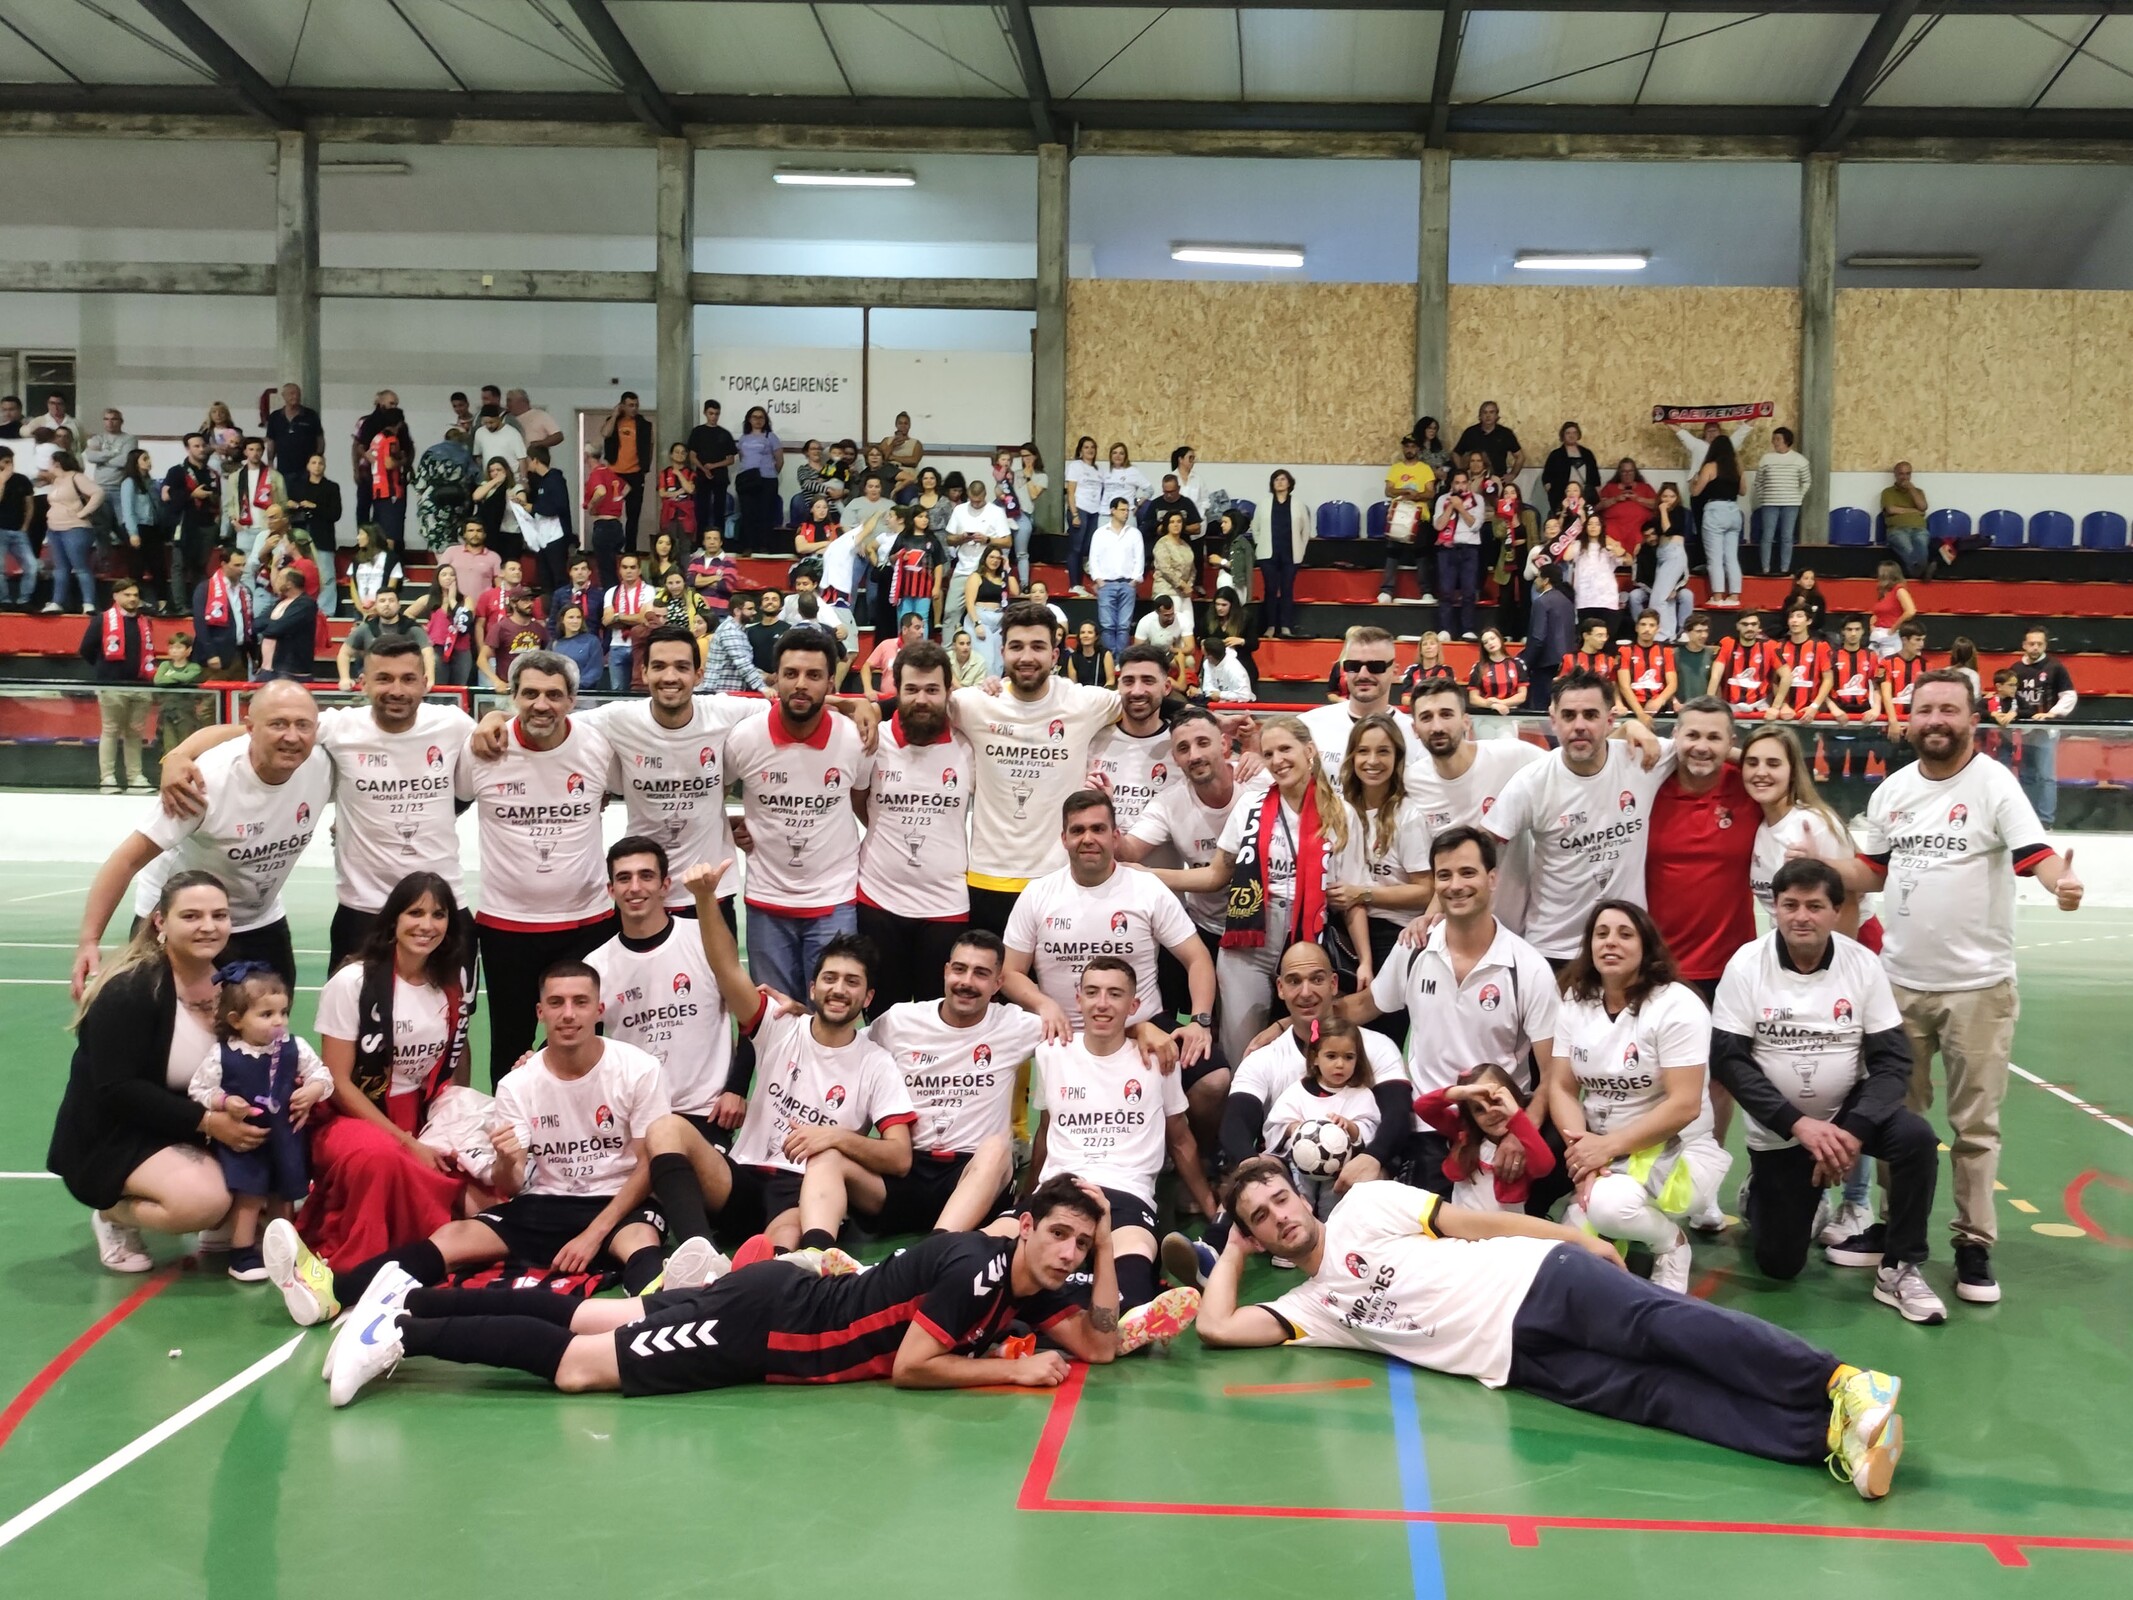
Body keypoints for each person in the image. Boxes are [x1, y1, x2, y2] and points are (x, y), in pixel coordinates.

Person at [1199, 1161, 1911, 1499]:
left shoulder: (1368, 1204)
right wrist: (1230, 1245)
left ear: (1302, 1194)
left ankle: (1841, 1381)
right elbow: (1220, 1326)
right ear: (1258, 1239)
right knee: (1655, 1399)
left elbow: (1477, 1223)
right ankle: (1828, 1436)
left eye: (1281, 1198)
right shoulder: (1312, 1305)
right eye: (1261, 1217)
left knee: (1671, 1326)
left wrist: (1573, 1242)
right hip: (1513, 1362)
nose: (1279, 1215)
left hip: (1537, 1280)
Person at [299, 1174, 1124, 1408]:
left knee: (604, 1311)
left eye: (1080, 1246)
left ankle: (406, 1303)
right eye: (1058, 1233)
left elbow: (1101, 1341)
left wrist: (1109, 1247)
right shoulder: (980, 1268)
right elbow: (913, 1366)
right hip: (765, 1328)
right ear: (1023, 1227)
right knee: (585, 1365)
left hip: (773, 1296)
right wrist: (1007, 1372)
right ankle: (401, 1336)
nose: (1068, 1252)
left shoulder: (1025, 1286)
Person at [274, 961, 675, 1403]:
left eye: (580, 1003)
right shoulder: (518, 1084)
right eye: (556, 1003)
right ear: (539, 1011)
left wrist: (594, 1233)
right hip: (547, 1200)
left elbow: (648, 1166)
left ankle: (663, 1312)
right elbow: (514, 1183)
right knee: (453, 1237)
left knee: (639, 1241)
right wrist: (507, 1161)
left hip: (618, 1200)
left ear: (599, 1009)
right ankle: (331, 1291)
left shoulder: (637, 1069)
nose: (568, 1014)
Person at [1835, 670, 2084, 1305]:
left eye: (1949, 709)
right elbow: (1872, 870)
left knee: (1975, 1126)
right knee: (1896, 1121)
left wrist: (2061, 883)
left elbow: (2034, 853)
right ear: (1909, 719)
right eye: (1925, 710)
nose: (1936, 720)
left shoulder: (1995, 784)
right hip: (1898, 988)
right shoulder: (1893, 791)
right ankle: (1899, 1228)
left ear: (1973, 719)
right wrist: (1810, 869)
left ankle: (1973, 1243)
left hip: (1979, 988)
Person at [1711, 860, 1947, 1323]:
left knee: (1916, 1138)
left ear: (1837, 911)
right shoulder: (1745, 965)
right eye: (1791, 905)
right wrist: (1799, 1126)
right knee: (1780, 1266)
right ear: (1774, 909)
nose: (1802, 916)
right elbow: (1730, 1062)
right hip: (1783, 1130)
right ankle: (1764, 1190)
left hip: (1845, 1119)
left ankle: (1900, 1266)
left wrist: (1853, 1133)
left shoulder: (1861, 964)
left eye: (1815, 906)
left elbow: (1892, 1061)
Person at [640, 867, 911, 1254]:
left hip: (806, 1188)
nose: (839, 989)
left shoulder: (877, 1062)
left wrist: (833, 1138)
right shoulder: (779, 1026)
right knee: (666, 1128)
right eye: (830, 978)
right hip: (741, 1179)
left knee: (781, 1243)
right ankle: (697, 1252)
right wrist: (704, 898)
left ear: (868, 998)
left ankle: (776, 1272)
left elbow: (899, 1157)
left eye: (852, 982)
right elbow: (726, 969)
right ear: (812, 987)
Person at [48, 872, 255, 1274]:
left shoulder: (237, 978)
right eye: (192, 916)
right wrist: (209, 1122)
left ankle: (217, 1214)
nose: (208, 926)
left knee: (273, 1187)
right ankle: (112, 1216)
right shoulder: (129, 990)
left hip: (192, 1120)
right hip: (119, 1131)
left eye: (219, 915)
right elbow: (117, 1091)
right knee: (203, 1202)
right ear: (160, 921)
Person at [75, 680, 325, 997]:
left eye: (302, 725)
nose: (292, 736)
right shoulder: (202, 784)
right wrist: (89, 941)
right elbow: (126, 860)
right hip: (179, 922)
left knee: (268, 1027)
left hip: (256, 919)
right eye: (277, 724)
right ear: (251, 728)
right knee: (167, 1031)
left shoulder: (322, 763)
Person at [1151, 719, 1368, 1069]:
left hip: (1308, 941)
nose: (1278, 760)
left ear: (1308, 751)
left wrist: (1366, 959)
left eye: (1286, 749)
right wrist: (1148, 875)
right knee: (1241, 1050)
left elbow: (1350, 895)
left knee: (1311, 1046)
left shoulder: (1342, 814)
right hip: (1247, 938)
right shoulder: (1250, 806)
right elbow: (1216, 875)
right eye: (1269, 753)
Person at [1344, 828, 1558, 1176]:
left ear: (1492, 879)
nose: (1455, 885)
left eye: (1467, 873)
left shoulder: (1529, 967)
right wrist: (1286, 1023)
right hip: (1426, 1129)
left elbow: (1553, 1075)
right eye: (1444, 875)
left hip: (1496, 1130)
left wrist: (1522, 1133)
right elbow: (1363, 1007)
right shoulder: (1413, 948)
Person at [1546, 901, 1728, 1292]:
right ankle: (1616, 1217)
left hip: (1677, 1152)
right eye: (1601, 934)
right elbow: (1560, 1086)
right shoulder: (1576, 1001)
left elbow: (1684, 1104)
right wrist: (1582, 1154)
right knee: (1567, 1253)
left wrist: (1603, 1149)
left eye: (1625, 934)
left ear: (1646, 946)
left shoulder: (1676, 1005)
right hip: (1604, 1151)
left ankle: (1671, 1244)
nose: (1611, 942)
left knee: (1609, 1208)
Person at [457, 651, 618, 1084]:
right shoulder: (482, 750)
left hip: (588, 923)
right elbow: (438, 810)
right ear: (512, 698)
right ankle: (511, 1138)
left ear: (572, 700)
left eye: (553, 695)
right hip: (506, 928)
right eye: (529, 694)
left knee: (584, 1040)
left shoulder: (600, 746)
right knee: (510, 1043)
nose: (541, 705)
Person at [1029, 958, 1208, 1340]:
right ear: (1077, 999)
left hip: (1127, 1195)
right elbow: (1045, 1132)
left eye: (1114, 994)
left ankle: (1093, 1324)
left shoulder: (1160, 1058)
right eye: (1092, 992)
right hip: (1059, 1187)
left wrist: (1213, 1209)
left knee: (1133, 1283)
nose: (1102, 1003)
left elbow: (1180, 1137)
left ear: (1133, 1005)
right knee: (995, 1256)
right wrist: (1026, 1195)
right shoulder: (1051, 1054)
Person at [950, 601, 1124, 936]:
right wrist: (861, 705)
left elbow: (1141, 699)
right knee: (990, 987)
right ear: (1002, 653)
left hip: (1059, 879)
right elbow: (919, 701)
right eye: (1016, 647)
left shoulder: (1083, 702)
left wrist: (1210, 718)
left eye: (1038, 647)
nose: (1026, 656)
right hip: (989, 877)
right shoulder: (978, 703)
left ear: (1055, 656)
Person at [1004, 788, 1214, 1061]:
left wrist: (1200, 1021)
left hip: (1142, 1027)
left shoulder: (1147, 888)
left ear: (1115, 837)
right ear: (1064, 839)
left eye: (1098, 829)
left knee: (1214, 1081)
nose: (1088, 838)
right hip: (1063, 1030)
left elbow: (1197, 958)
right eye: (1078, 830)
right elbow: (1009, 972)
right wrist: (1043, 1005)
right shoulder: (1037, 893)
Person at [1482, 673, 1673, 964]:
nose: (1579, 726)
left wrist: (1762, 771)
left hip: (1625, 948)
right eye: (1569, 715)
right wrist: (1437, 913)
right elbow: (1475, 847)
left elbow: (1706, 748)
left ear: (1610, 720)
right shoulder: (1532, 782)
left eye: (1590, 715)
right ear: (1553, 719)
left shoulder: (1641, 758)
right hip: (1553, 949)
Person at [861, 932, 1042, 1233]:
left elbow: (1086, 1039)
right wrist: (801, 1018)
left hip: (972, 1174)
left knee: (998, 1149)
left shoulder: (1016, 1025)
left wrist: (1142, 1030)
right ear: (946, 971)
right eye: (959, 969)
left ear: (998, 984)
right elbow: (843, 1044)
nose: (966, 982)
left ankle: (935, 1249)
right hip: (906, 1168)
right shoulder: (899, 1020)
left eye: (981, 974)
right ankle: (811, 1254)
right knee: (828, 1157)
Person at [185, 962, 332, 1280]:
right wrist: (225, 1102)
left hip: (286, 1138)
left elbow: (322, 1075)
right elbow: (199, 1090)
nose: (279, 1021)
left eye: (283, 1013)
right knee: (249, 1197)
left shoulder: (296, 1048)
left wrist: (312, 1090)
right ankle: (241, 1253)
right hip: (246, 1141)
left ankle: (284, 1250)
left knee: (284, 1196)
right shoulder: (223, 1055)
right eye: (266, 1015)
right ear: (237, 1020)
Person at [854, 641, 974, 1008]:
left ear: (948, 692)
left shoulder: (970, 746)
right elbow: (861, 803)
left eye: (932, 689)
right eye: (912, 689)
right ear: (896, 691)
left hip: (946, 907)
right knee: (881, 1020)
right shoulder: (873, 740)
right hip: (877, 901)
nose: (922, 699)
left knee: (937, 1021)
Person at [1328, 713, 1433, 995]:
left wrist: (1362, 893)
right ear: (1351, 757)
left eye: (1383, 751)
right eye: (1363, 751)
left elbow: (1425, 890)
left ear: (1397, 758)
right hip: (1342, 929)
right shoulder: (1338, 809)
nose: (1372, 761)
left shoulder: (1408, 815)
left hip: (1394, 932)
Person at [1261, 1019, 1381, 1217]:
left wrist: (1351, 1128)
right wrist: (1294, 1128)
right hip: (1300, 1166)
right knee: (1299, 1196)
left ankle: (1330, 1233)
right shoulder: (1299, 1090)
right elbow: (1277, 1123)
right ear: (1315, 1058)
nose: (1340, 1064)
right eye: (1331, 1056)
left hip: (1341, 1169)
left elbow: (1370, 1128)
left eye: (1349, 1057)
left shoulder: (1360, 1094)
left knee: (1334, 1205)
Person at [1305, 625, 1427, 777]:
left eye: (1375, 666)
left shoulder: (1415, 736)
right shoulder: (1309, 726)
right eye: (1354, 666)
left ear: (1395, 671)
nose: (1363, 674)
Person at [1086, 645, 1182, 834]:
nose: (1137, 691)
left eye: (1148, 681)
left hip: (1164, 863)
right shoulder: (1092, 738)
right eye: (1129, 681)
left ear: (1166, 687)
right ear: (1118, 686)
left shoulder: (1183, 744)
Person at [80, 578, 156, 793]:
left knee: (135, 733)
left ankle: (135, 778)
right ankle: (108, 779)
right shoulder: (102, 620)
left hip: (142, 686)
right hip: (112, 686)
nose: (132, 599)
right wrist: (105, 668)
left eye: (135, 595)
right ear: (115, 596)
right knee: (111, 731)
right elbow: (86, 649)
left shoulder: (145, 622)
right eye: (127, 595)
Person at [2008, 625, 2076, 827]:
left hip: (2046, 732)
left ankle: (2046, 821)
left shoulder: (2055, 667)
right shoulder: (2015, 669)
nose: (2035, 647)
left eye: (2039, 643)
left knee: (2046, 776)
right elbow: (2008, 697)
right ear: (2024, 645)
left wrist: (2051, 714)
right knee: (2027, 775)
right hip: (2025, 731)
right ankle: (2029, 819)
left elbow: (2069, 696)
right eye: (2031, 643)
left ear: (2045, 645)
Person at [1380, 434, 1436, 606]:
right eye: (1406, 447)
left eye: (1412, 446)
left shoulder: (1425, 469)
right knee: (1392, 554)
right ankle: (1386, 590)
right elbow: (1388, 491)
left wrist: (1416, 495)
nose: (1409, 450)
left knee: (1421, 556)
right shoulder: (1395, 468)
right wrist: (1405, 492)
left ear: (1418, 449)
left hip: (1419, 517)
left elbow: (1431, 492)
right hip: (1398, 516)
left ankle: (1426, 591)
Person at [1690, 435, 1745, 607]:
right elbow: (1743, 491)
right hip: (1734, 511)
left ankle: (1718, 596)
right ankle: (1734, 596)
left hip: (1715, 510)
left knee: (1714, 557)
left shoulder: (1710, 466)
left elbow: (1696, 492)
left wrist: (1693, 483)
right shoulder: (1737, 468)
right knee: (1731, 557)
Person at [1749, 427, 1811, 576]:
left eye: (1777, 439)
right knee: (1767, 536)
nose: (1774, 442)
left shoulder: (1800, 460)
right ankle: (1765, 568)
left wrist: (1798, 497)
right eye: (1774, 438)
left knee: (1787, 537)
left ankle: (1785, 569)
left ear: (1787, 441)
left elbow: (1807, 482)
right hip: (1769, 503)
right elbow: (1758, 482)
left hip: (1791, 504)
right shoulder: (1766, 459)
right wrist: (1763, 497)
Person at [1088, 495, 1143, 661]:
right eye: (1122, 510)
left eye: (1128, 510)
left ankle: (1121, 660)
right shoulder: (1100, 533)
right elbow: (1093, 558)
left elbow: (1139, 558)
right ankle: (1109, 661)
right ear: (1112, 511)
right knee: (1107, 626)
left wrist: (1134, 581)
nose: (1126, 513)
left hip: (1127, 584)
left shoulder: (1134, 534)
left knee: (1124, 626)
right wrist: (1098, 580)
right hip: (1106, 584)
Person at [1709, 609, 1783, 716]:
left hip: (1760, 707)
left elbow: (1786, 676)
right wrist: (1709, 704)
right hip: (1730, 707)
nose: (1750, 628)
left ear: (1759, 627)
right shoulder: (1727, 643)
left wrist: (1776, 706)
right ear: (1738, 626)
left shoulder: (1770, 646)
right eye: (1745, 624)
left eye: (1753, 624)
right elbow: (1715, 676)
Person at [1523, 561, 1575, 711]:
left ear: (1546, 581)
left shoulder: (1542, 602)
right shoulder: (1567, 601)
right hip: (1566, 663)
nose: (1536, 580)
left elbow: (1538, 638)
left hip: (1545, 664)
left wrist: (1526, 662)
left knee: (1542, 709)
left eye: (1538, 577)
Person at [478, 585, 550, 691]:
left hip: (533, 688)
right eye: (525, 600)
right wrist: (496, 681)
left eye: (531, 600)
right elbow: (481, 659)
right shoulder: (501, 627)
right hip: (509, 687)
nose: (530, 604)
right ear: (513, 603)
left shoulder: (539, 628)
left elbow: (547, 657)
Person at [256, 565, 321, 681]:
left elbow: (278, 628)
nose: (275, 581)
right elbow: (256, 624)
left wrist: (271, 626)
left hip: (290, 670)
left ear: (289, 584)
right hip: (267, 669)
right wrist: (275, 624)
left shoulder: (306, 604)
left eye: (280, 577)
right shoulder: (278, 603)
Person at [1772, 604, 1833, 724]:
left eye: (1799, 616)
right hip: (1784, 714)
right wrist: (1783, 705)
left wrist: (1815, 706)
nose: (1794, 620)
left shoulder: (1820, 647)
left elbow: (1828, 680)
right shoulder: (1778, 647)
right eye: (1791, 617)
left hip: (1811, 714)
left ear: (1809, 621)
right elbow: (1774, 681)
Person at [734, 406, 784, 548]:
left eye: (761, 417)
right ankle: (748, 546)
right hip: (747, 479)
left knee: (765, 514)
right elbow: (743, 457)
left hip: (767, 480)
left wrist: (770, 473)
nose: (758, 420)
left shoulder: (771, 437)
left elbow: (779, 460)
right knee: (748, 513)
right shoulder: (743, 438)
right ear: (749, 419)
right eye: (754, 417)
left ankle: (764, 546)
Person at [1615, 611, 1678, 723]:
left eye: (1651, 625)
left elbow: (1672, 683)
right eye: (1643, 624)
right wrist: (1640, 714)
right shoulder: (1625, 651)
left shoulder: (1666, 651)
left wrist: (1659, 701)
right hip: (1632, 710)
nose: (1647, 629)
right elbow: (1624, 686)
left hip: (1659, 709)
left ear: (1657, 629)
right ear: (1636, 627)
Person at [687, 399, 738, 536]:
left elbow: (731, 459)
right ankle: (700, 541)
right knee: (701, 510)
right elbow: (692, 455)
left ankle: (720, 540)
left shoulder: (724, 434)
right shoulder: (698, 432)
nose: (714, 417)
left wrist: (713, 466)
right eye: (711, 413)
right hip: (702, 477)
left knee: (719, 511)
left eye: (716, 414)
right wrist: (704, 469)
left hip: (720, 477)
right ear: (705, 413)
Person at [1880, 462, 1930, 578]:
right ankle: (1922, 571)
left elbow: (1923, 507)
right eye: (1901, 474)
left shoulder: (1918, 491)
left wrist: (1912, 489)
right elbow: (1891, 509)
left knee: (1922, 545)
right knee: (1907, 547)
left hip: (1919, 528)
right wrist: (1914, 511)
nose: (1905, 477)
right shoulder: (1888, 492)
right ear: (1895, 475)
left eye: (1908, 474)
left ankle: (1915, 572)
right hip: (1897, 529)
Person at [1452, 401, 1523, 481]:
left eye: (1491, 412)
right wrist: (1462, 473)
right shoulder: (1471, 433)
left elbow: (1520, 456)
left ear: (1496, 415)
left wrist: (1513, 474)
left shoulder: (1505, 434)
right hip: (1474, 480)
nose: (1488, 416)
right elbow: (1456, 453)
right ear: (1480, 416)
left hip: (1498, 480)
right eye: (1484, 412)